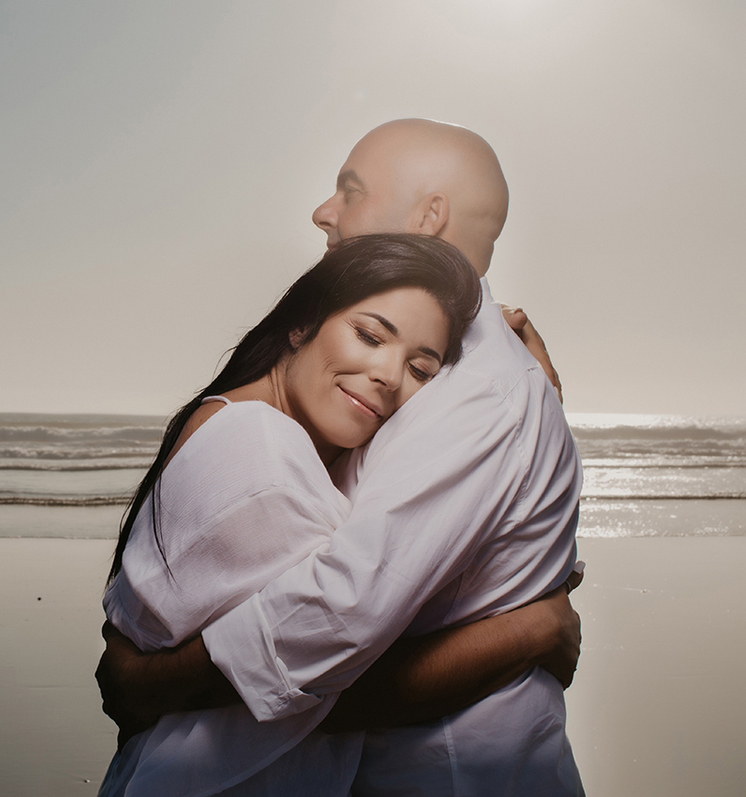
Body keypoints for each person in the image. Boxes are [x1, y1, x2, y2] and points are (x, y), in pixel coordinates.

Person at [98, 119, 585, 795]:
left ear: (430, 215)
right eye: (370, 334)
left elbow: (341, 613)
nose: (325, 211)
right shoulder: (441, 380)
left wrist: (144, 680)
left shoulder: (478, 392)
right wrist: (533, 627)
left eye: (349, 190)